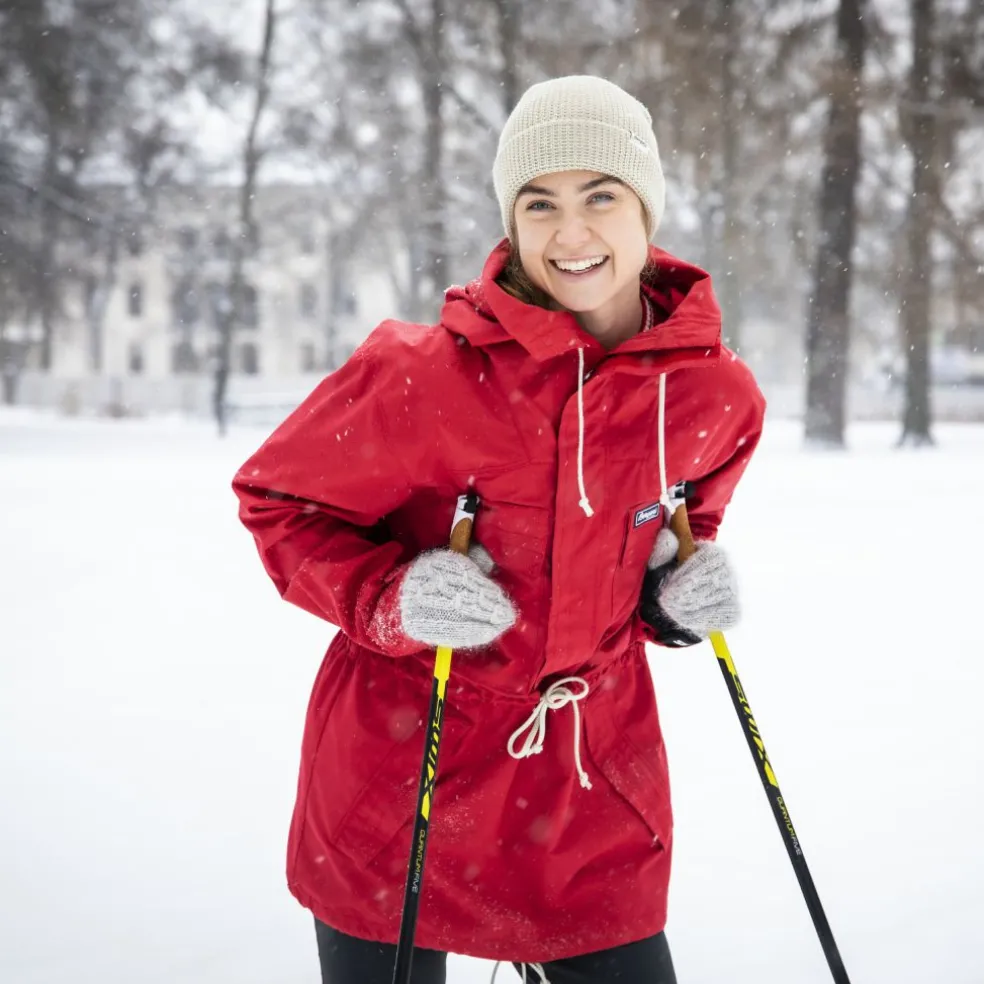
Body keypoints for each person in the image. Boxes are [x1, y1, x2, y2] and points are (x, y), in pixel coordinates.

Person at [233, 75, 766, 984]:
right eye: (539, 202)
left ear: (648, 208)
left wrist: (676, 602)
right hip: (404, 772)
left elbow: (666, 550)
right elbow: (280, 502)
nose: (570, 234)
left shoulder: (714, 398)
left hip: (588, 786)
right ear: (510, 220)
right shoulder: (422, 373)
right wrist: (390, 597)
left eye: (601, 195)